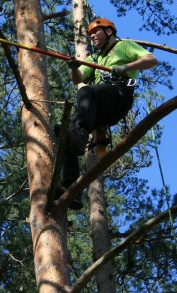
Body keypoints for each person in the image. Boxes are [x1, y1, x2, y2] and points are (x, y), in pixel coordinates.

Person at [60, 17, 158, 209]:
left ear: (109, 32)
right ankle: (70, 189)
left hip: (119, 95)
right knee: (66, 136)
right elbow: (79, 77)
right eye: (90, 34)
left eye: (96, 32)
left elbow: (151, 60)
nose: (92, 36)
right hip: (99, 107)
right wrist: (73, 68)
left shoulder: (124, 46)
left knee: (85, 93)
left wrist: (126, 67)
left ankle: (80, 133)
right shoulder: (94, 58)